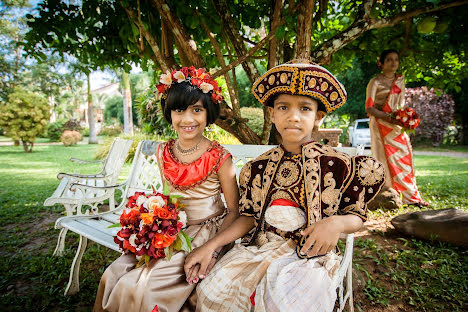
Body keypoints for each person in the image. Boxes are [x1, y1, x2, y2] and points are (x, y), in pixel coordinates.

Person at [184, 60, 386, 312]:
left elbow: (356, 216)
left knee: (286, 304)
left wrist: (336, 223)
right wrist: (210, 246)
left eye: (304, 108)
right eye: (283, 107)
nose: (293, 116)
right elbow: (248, 217)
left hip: (308, 257)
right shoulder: (258, 167)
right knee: (213, 291)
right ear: (272, 114)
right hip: (260, 250)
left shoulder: (338, 164)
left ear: (318, 117)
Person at [93, 67, 240, 312]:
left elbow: (234, 210)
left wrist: (213, 249)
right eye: (179, 110)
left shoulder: (220, 158)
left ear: (208, 113)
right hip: (167, 228)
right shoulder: (163, 152)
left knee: (143, 286)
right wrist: (149, 221)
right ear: (169, 113)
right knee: (113, 273)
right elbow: (166, 196)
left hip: (204, 233)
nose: (187, 119)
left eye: (197, 110)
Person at [365, 49, 428, 207]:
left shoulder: (400, 80)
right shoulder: (375, 82)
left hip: (397, 126)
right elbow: (369, 108)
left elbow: (399, 106)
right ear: (381, 64)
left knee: (404, 156)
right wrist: (391, 118)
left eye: (396, 59)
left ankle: (410, 196)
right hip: (380, 124)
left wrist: (405, 118)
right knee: (384, 158)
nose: (393, 63)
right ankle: (389, 193)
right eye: (389, 60)